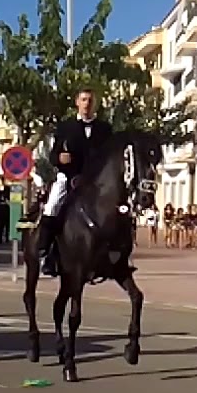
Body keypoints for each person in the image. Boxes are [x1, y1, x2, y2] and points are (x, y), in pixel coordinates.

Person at [36, 88, 114, 276]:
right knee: (52, 206)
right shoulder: (65, 127)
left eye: (90, 100)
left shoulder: (105, 129)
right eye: (84, 99)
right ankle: (45, 252)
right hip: (69, 177)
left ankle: (116, 255)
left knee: (117, 208)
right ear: (77, 103)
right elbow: (53, 154)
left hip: (96, 180)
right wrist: (59, 159)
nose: (87, 103)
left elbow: (111, 155)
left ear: (94, 104)